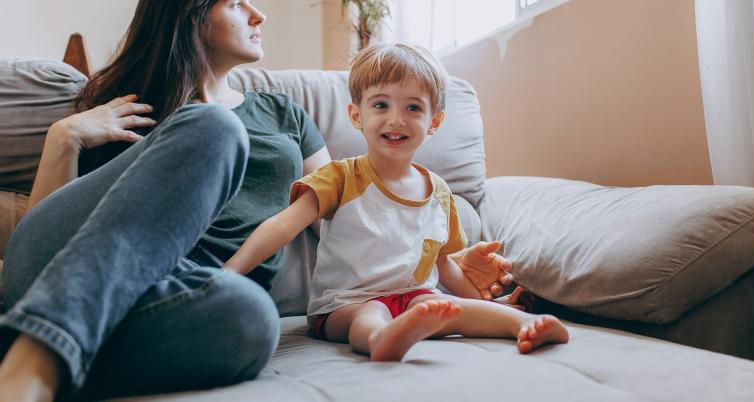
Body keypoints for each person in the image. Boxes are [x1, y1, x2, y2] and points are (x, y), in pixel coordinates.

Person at [0, 0, 513, 401]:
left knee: (253, 318)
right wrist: (64, 138)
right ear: (192, 14)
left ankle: (30, 348)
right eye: (238, 2)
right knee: (214, 127)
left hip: (182, 297)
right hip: (61, 274)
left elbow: (348, 210)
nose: (259, 14)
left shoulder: (282, 114)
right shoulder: (127, 107)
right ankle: (34, 365)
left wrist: (437, 256)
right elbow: (41, 250)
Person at [224, 43, 569, 361]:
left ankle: (522, 324)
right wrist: (230, 272)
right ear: (356, 115)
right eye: (381, 105)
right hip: (344, 305)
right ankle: (382, 339)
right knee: (371, 313)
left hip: (413, 298)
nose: (396, 119)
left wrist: (479, 301)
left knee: (447, 307)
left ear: (434, 122)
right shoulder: (340, 177)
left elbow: (444, 265)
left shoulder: (439, 192)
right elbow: (282, 227)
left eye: (413, 107)